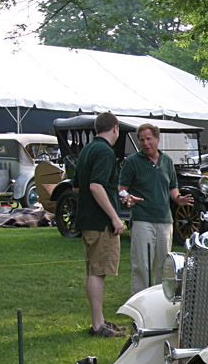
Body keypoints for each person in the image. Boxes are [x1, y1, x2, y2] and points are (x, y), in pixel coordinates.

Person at [119, 123, 195, 295]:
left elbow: (172, 188)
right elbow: (121, 188)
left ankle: (159, 299)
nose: (145, 143)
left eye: (149, 139)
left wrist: (178, 198)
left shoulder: (167, 161)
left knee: (163, 265)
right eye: (142, 140)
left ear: (157, 139)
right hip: (142, 219)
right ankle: (140, 302)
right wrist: (127, 196)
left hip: (165, 220)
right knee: (142, 265)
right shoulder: (132, 162)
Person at [74, 112, 126, 337]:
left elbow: (78, 187)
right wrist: (114, 217)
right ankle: (98, 325)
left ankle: (100, 320)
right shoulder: (105, 151)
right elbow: (96, 186)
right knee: (98, 272)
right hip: (100, 222)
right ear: (115, 128)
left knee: (93, 271)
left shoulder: (87, 149)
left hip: (87, 219)